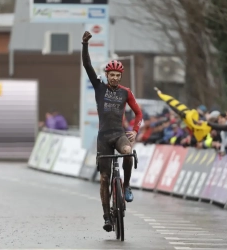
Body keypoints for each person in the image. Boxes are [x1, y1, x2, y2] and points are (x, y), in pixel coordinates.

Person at [81, 31, 143, 232]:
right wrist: (84, 44)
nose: (115, 78)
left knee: (128, 152)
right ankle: (107, 216)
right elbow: (87, 66)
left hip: (118, 134)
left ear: (120, 76)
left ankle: (125, 186)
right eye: (112, 75)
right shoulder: (99, 87)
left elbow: (138, 113)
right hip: (103, 137)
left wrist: (134, 130)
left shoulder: (126, 92)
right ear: (107, 75)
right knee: (105, 178)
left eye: (118, 75)